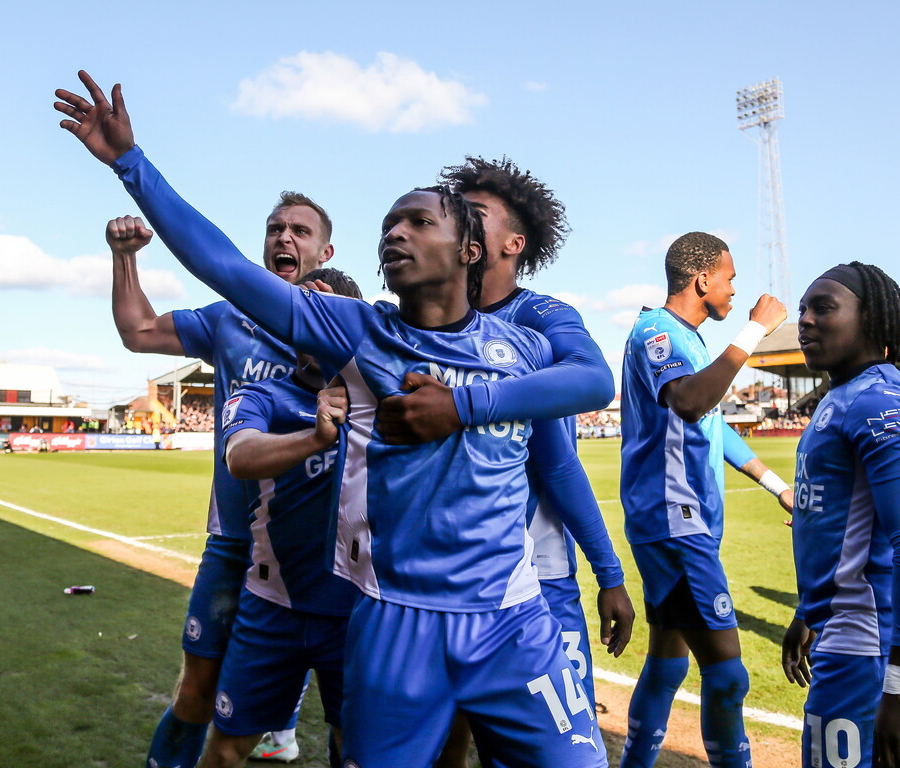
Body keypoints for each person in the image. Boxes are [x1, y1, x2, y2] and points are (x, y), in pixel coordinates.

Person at [56, 70, 612, 768]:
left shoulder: (525, 345)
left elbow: (594, 381)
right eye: (389, 225)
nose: (395, 233)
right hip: (394, 620)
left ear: (469, 251)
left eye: (419, 221)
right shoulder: (357, 332)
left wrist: (462, 405)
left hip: (511, 618)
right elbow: (223, 264)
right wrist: (130, 165)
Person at [393, 156, 634, 768]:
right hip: (436, 588)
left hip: (536, 582)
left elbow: (561, 458)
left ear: (511, 244)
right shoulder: (416, 319)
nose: (458, 225)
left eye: (474, 215)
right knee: (441, 746)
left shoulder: (540, 320)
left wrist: (607, 574)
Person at [103, 198, 333, 765]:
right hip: (235, 545)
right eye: (275, 228)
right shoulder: (231, 319)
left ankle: (281, 723)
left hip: (328, 555)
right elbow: (138, 331)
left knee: (359, 715)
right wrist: (125, 258)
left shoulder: (346, 322)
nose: (285, 238)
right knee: (196, 694)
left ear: (325, 252)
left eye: (300, 230)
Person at [618, 232, 792, 768]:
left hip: (675, 521)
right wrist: (756, 330)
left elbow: (713, 426)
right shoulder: (658, 333)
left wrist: (777, 486)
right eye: (730, 278)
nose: (735, 289)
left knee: (668, 664)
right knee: (727, 673)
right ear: (702, 280)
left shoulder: (687, 340)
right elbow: (691, 402)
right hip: (675, 521)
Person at [200, 268, 363, 768]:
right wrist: (315, 438)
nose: (306, 332)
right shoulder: (260, 396)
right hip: (272, 605)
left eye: (322, 316)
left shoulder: (385, 400)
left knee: (356, 751)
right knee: (227, 748)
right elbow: (240, 456)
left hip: (359, 613)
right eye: (299, 318)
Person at [781, 262, 900, 768]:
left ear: (870, 319)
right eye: (803, 309)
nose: (805, 319)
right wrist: (810, 610)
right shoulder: (843, 396)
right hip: (848, 631)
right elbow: (840, 526)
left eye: (823, 307)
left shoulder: (878, 400)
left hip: (874, 644)